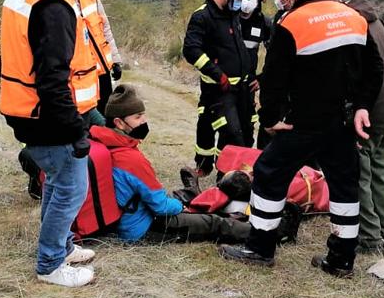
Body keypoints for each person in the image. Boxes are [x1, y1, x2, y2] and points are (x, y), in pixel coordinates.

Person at [220, 0, 382, 277]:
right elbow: (375, 69)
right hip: (343, 122)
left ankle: (260, 248)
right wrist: (362, 106)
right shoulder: (353, 18)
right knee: (344, 186)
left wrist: (269, 118)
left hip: (303, 121)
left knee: (268, 172)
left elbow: (275, 79)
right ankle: (341, 260)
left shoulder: (292, 23)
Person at [0, 0, 102, 287]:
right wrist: (75, 129)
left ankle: (62, 246)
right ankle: (50, 264)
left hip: (23, 106)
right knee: (72, 189)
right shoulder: (56, 7)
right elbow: (52, 78)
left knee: (59, 184)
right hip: (46, 114)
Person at [95, 84, 268, 244]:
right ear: (119, 122)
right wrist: (181, 207)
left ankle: (193, 195)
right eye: (138, 117)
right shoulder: (129, 158)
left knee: (185, 203)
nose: (144, 121)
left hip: (128, 218)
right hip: (142, 228)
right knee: (213, 222)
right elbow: (161, 206)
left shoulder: (105, 144)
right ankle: (264, 236)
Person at [16, 0, 119, 201]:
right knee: (66, 148)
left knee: (100, 131)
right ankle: (37, 169)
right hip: (68, 87)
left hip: (97, 76)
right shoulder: (53, 2)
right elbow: (51, 67)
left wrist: (114, 60)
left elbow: (103, 28)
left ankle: (95, 180)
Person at [182, 0, 255, 177]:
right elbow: (191, 50)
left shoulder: (232, 14)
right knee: (232, 133)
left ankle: (228, 177)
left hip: (241, 89)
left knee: (244, 135)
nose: (243, 1)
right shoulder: (202, 17)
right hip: (218, 90)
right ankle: (211, 170)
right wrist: (217, 74)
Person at [347, 0, 384, 252]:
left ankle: (370, 237)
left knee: (361, 177)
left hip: (366, 114)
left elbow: (359, 73)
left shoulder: (355, 25)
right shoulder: (377, 22)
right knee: (381, 172)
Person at [239, 0, 272, 148]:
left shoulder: (264, 24)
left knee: (247, 123)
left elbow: (276, 55)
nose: (247, 2)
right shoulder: (229, 19)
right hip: (223, 80)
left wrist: (261, 78)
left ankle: (244, 161)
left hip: (249, 84)